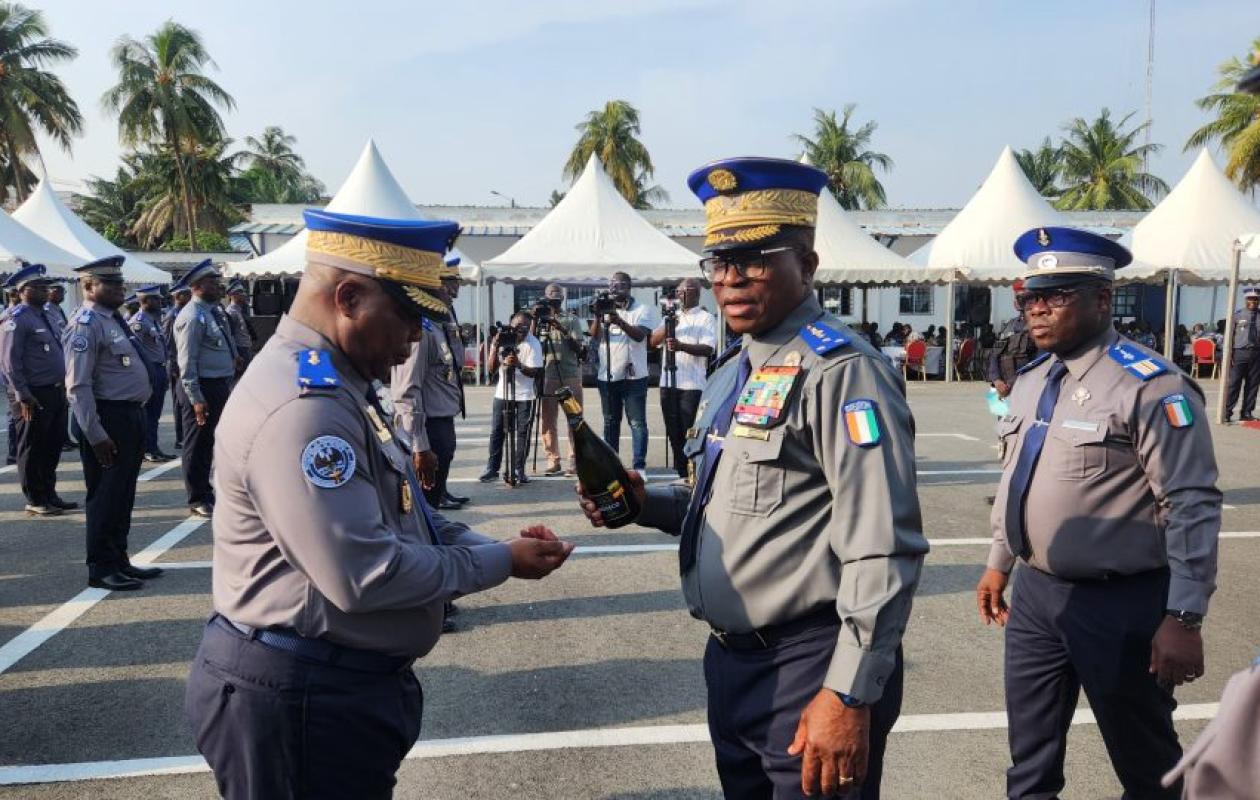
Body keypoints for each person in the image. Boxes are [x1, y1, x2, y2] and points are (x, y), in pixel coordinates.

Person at [183, 209, 574, 800]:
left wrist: (486, 545)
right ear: (348, 297)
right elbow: (364, 574)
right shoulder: (306, 406)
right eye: (410, 315)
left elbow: (406, 508)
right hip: (302, 695)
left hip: (327, 687)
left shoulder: (338, 383)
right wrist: (500, 563)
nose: (416, 336)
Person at [580, 157, 927, 799]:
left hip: (812, 664)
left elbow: (884, 544)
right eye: (719, 262)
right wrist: (645, 503)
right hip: (734, 664)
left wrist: (849, 690)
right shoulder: (735, 367)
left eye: (757, 259)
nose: (731, 279)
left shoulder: (842, 372)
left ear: (809, 265)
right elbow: (731, 500)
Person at [975, 226, 1221, 799]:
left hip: (1121, 604)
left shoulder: (1151, 386)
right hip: (1037, 598)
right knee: (1029, 762)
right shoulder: (1033, 379)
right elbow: (1017, 475)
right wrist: (998, 562)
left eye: (1056, 297)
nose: (1037, 312)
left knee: (1146, 763)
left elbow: (1190, 504)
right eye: (1030, 299)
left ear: (1103, 298)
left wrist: (1184, 617)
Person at [63, 256, 163, 591]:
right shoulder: (86, 323)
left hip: (129, 415)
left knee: (123, 493)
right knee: (105, 495)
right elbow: (78, 385)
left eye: (121, 282)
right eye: (111, 283)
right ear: (88, 286)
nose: (120, 288)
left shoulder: (113, 320)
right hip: (107, 418)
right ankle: (101, 567)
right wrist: (96, 434)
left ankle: (119, 559)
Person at [391, 257, 468, 510]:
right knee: (422, 508)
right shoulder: (422, 331)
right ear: (431, 284)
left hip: (441, 423)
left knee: (431, 506)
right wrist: (420, 446)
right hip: (428, 430)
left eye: (456, 282)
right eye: (448, 282)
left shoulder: (439, 325)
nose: (454, 290)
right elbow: (407, 391)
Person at [0, 264, 73, 516]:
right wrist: (22, 395)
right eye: (38, 287)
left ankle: (50, 493)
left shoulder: (49, 314)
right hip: (32, 394)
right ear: (22, 291)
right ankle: (35, 497)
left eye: (45, 286)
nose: (45, 290)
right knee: (32, 447)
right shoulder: (16, 319)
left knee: (52, 445)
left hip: (55, 391)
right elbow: (10, 362)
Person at [173, 260, 240, 517]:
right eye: (213, 282)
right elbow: (186, 362)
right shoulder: (191, 317)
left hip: (218, 384)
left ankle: (207, 492)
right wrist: (196, 398)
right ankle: (197, 497)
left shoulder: (212, 312)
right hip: (201, 387)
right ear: (198, 286)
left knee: (209, 442)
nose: (218, 286)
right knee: (197, 445)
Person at [589, 271, 659, 471]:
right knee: (610, 422)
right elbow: (595, 336)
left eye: (618, 284)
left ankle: (639, 466)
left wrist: (618, 320)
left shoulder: (643, 310)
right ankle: (612, 465)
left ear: (628, 287)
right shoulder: (603, 309)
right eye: (611, 283)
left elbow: (640, 337)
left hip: (634, 376)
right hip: (608, 375)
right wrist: (597, 315)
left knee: (637, 423)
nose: (613, 287)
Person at [650, 277, 716, 479]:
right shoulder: (672, 317)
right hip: (668, 384)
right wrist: (669, 324)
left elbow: (708, 349)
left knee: (689, 432)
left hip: (692, 386)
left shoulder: (705, 318)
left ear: (696, 292)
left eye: (686, 290)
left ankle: (694, 472)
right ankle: (681, 474)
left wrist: (681, 346)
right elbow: (653, 341)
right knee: (673, 432)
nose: (681, 294)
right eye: (679, 291)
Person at [480, 311, 542, 485]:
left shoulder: (533, 343)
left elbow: (535, 372)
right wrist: (494, 346)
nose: (520, 331)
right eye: (517, 327)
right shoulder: (502, 339)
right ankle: (492, 468)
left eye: (524, 327)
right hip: (502, 393)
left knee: (523, 433)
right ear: (510, 325)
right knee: (497, 431)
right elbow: (491, 370)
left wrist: (519, 365)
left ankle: (518, 470)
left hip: (525, 395)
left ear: (529, 328)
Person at [535, 283, 588, 477]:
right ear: (545, 297)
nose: (554, 299)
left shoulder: (571, 319)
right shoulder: (539, 319)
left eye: (557, 296)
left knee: (573, 418)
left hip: (570, 373)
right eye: (551, 295)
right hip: (548, 373)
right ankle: (552, 459)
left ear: (563, 298)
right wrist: (536, 318)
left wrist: (561, 328)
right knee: (548, 420)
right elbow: (530, 342)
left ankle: (573, 459)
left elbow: (579, 348)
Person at [128, 285, 175, 462]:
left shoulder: (152, 319)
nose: (160, 301)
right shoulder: (138, 322)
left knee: (155, 414)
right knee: (148, 413)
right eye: (156, 299)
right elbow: (134, 350)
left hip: (160, 368)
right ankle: (147, 449)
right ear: (145, 301)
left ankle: (153, 447)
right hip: (149, 370)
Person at [987, 279, 1039, 399]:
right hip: (1001, 387)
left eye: (1025, 298)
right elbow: (994, 355)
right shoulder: (1008, 326)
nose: (1019, 302)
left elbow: (1040, 360)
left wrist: (1011, 383)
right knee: (1002, 416)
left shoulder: (1038, 325)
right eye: (1017, 298)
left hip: (1027, 386)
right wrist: (996, 380)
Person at [162, 280, 192, 449]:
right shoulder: (172, 315)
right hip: (177, 366)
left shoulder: (183, 312)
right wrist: (173, 366)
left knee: (185, 401)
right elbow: (168, 344)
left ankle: (184, 434)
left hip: (182, 363)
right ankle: (180, 437)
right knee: (179, 402)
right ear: (178, 297)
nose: (190, 298)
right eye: (187, 295)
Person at [1223, 287, 1260, 422]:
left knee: (1253, 385)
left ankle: (1246, 412)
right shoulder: (1237, 315)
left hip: (1256, 353)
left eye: (1256, 299)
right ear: (1246, 299)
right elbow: (1229, 336)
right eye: (1251, 298)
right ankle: (1226, 412)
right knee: (1234, 383)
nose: (1253, 301)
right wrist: (1228, 354)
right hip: (1240, 353)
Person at [223, 278, 255, 376]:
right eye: (241, 292)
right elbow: (230, 335)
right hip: (239, 348)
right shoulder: (231, 312)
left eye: (244, 292)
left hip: (245, 346)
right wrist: (235, 355)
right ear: (233, 295)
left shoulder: (239, 310)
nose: (244, 294)